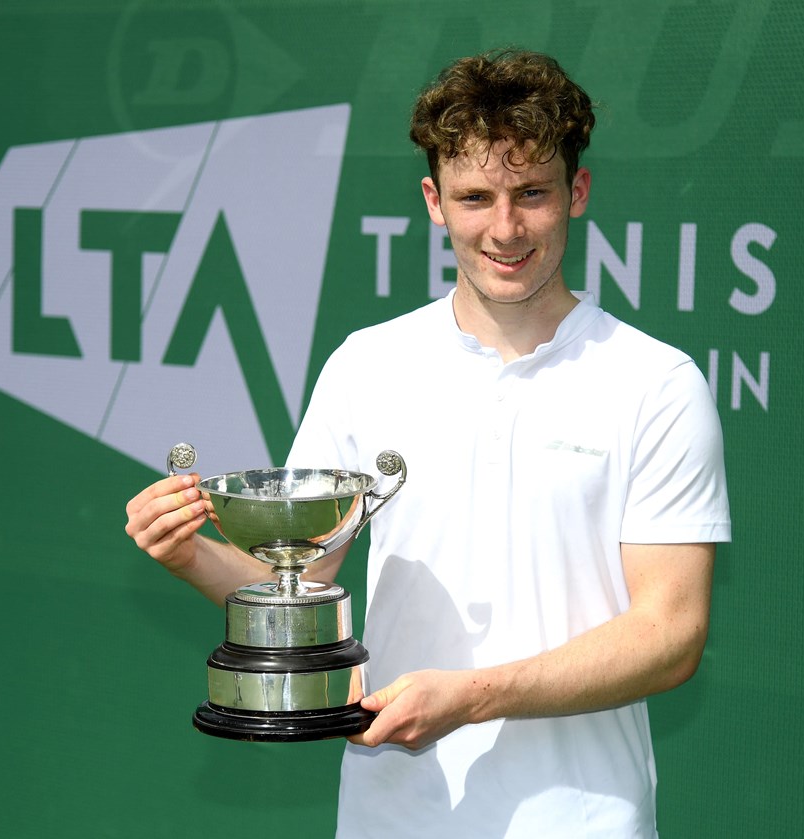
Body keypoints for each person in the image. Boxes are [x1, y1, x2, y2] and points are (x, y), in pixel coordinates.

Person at [126, 49, 730, 838]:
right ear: (434, 202)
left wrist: (474, 694)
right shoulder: (366, 364)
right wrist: (186, 552)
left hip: (581, 817)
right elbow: (299, 585)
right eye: (475, 197)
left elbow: (670, 635)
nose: (504, 228)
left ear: (577, 193)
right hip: (392, 814)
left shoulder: (655, 382)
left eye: (532, 194)